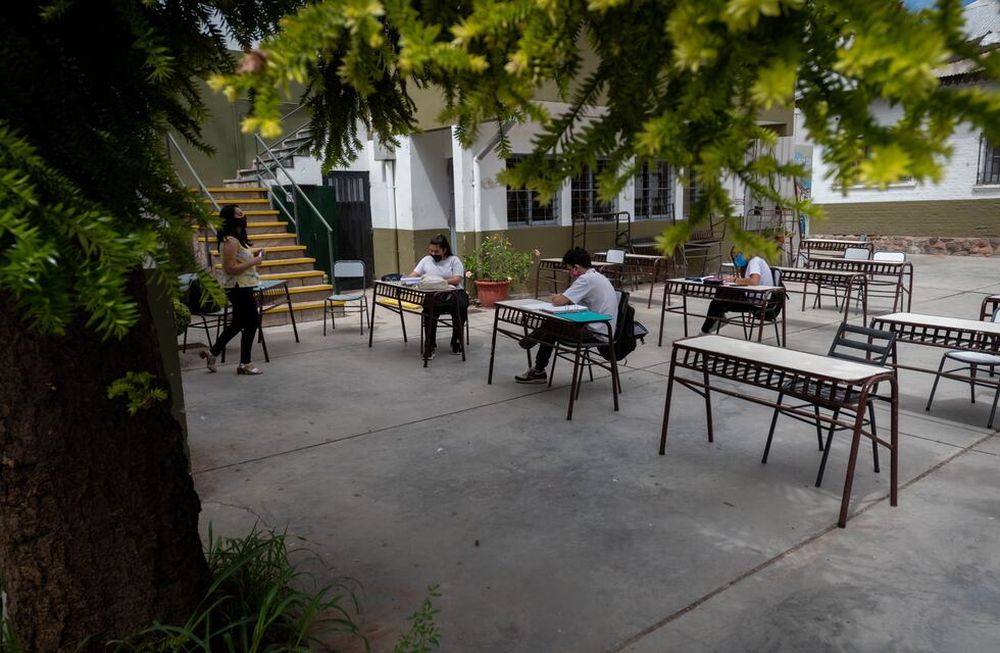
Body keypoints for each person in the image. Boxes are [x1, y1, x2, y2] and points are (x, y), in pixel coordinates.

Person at [515, 247, 618, 384]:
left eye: (569, 269)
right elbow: (571, 301)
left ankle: (530, 347)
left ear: (576, 267)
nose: (570, 273)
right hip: (603, 329)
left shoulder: (586, 279)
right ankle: (538, 367)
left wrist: (556, 297)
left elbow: (559, 301)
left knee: (552, 325)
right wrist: (563, 298)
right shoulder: (597, 276)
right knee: (553, 326)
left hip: (595, 332)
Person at [199, 204, 266, 375]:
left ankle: (212, 353)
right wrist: (255, 262)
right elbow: (230, 268)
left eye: (242, 211)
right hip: (238, 288)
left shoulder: (237, 239)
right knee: (252, 322)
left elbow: (239, 258)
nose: (242, 214)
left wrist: (254, 254)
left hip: (243, 286)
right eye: (238, 213)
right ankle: (245, 363)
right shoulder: (229, 240)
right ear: (230, 218)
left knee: (238, 323)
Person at [410, 234, 468, 359]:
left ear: (444, 250)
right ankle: (430, 346)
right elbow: (414, 274)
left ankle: (456, 340)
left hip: (454, 292)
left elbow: (457, 279)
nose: (433, 253)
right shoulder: (426, 260)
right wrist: (407, 280)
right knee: (429, 311)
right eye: (431, 250)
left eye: (436, 251)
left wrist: (438, 281)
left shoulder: (454, 260)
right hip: (433, 294)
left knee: (461, 307)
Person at [700, 250, 777, 335]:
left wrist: (735, 280)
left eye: (737, 256)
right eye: (734, 257)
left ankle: (705, 330)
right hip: (758, 299)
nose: (736, 259)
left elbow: (754, 281)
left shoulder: (754, 262)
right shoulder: (756, 261)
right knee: (721, 295)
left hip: (757, 302)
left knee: (716, 303)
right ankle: (718, 319)